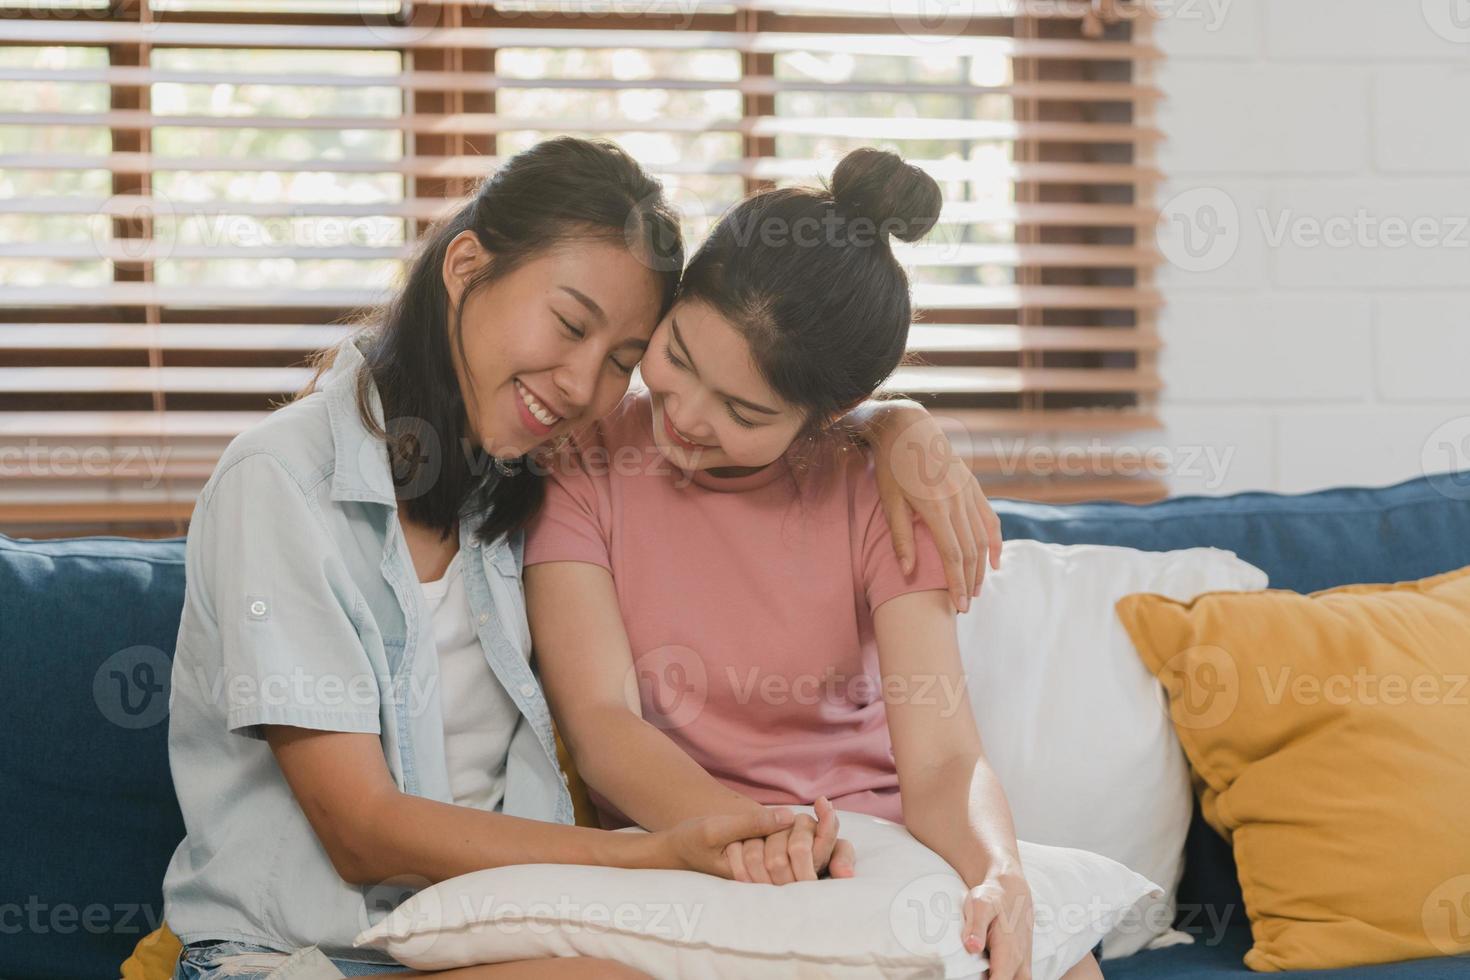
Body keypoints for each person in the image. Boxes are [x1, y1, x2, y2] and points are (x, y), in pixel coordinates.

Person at [164, 137, 1001, 979]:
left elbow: (785, 397)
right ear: (464, 264)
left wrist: (898, 424)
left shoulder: (521, 469)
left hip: (490, 930)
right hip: (298, 952)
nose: (579, 385)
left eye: (624, 361)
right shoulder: (283, 482)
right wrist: (661, 854)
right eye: (569, 325)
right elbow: (360, 832)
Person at [524, 148, 1099, 980]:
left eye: (744, 410)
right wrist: (758, 837)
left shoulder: (884, 486)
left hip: (871, 847)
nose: (682, 415)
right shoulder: (583, 463)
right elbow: (604, 727)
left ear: (826, 414)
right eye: (678, 356)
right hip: (688, 842)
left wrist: (998, 872)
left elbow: (940, 760)